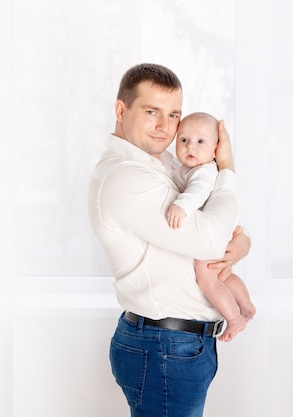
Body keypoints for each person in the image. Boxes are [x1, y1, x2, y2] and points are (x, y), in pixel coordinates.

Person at [88, 63, 251, 417]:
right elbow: (210, 238)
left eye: (174, 114)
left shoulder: (163, 166)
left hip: (176, 344)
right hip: (164, 347)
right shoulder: (127, 178)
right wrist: (227, 167)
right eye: (152, 112)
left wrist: (241, 244)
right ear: (121, 111)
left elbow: (221, 226)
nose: (166, 126)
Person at [166, 111, 256, 342]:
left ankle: (234, 317)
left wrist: (181, 206)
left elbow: (198, 191)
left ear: (216, 149)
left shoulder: (204, 171)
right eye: (184, 140)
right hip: (221, 228)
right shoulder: (184, 168)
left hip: (212, 231)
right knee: (224, 274)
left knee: (207, 280)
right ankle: (245, 305)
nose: (190, 148)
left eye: (200, 142)